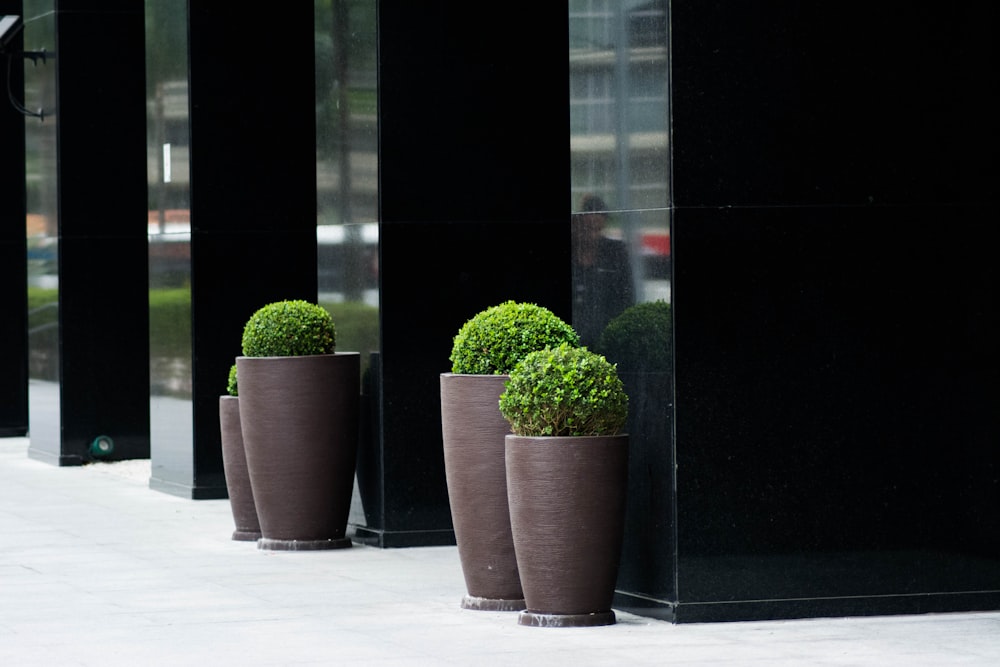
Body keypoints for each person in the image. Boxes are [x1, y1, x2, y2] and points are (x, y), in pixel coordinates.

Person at [571, 195, 635, 349]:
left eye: (597, 229)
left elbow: (627, 297)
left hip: (606, 337)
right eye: (588, 228)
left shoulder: (615, 252)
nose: (592, 236)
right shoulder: (574, 251)